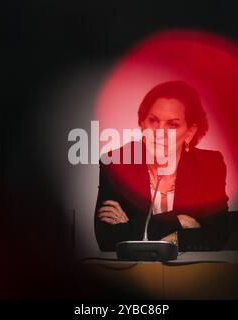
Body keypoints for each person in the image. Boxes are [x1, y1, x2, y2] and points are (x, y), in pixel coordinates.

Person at [94, 81, 229, 252]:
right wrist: (179, 220)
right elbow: (107, 239)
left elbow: (217, 236)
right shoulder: (116, 162)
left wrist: (139, 230)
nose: (159, 132)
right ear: (142, 123)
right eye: (153, 121)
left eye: (172, 125)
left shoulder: (209, 165)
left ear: (190, 132)